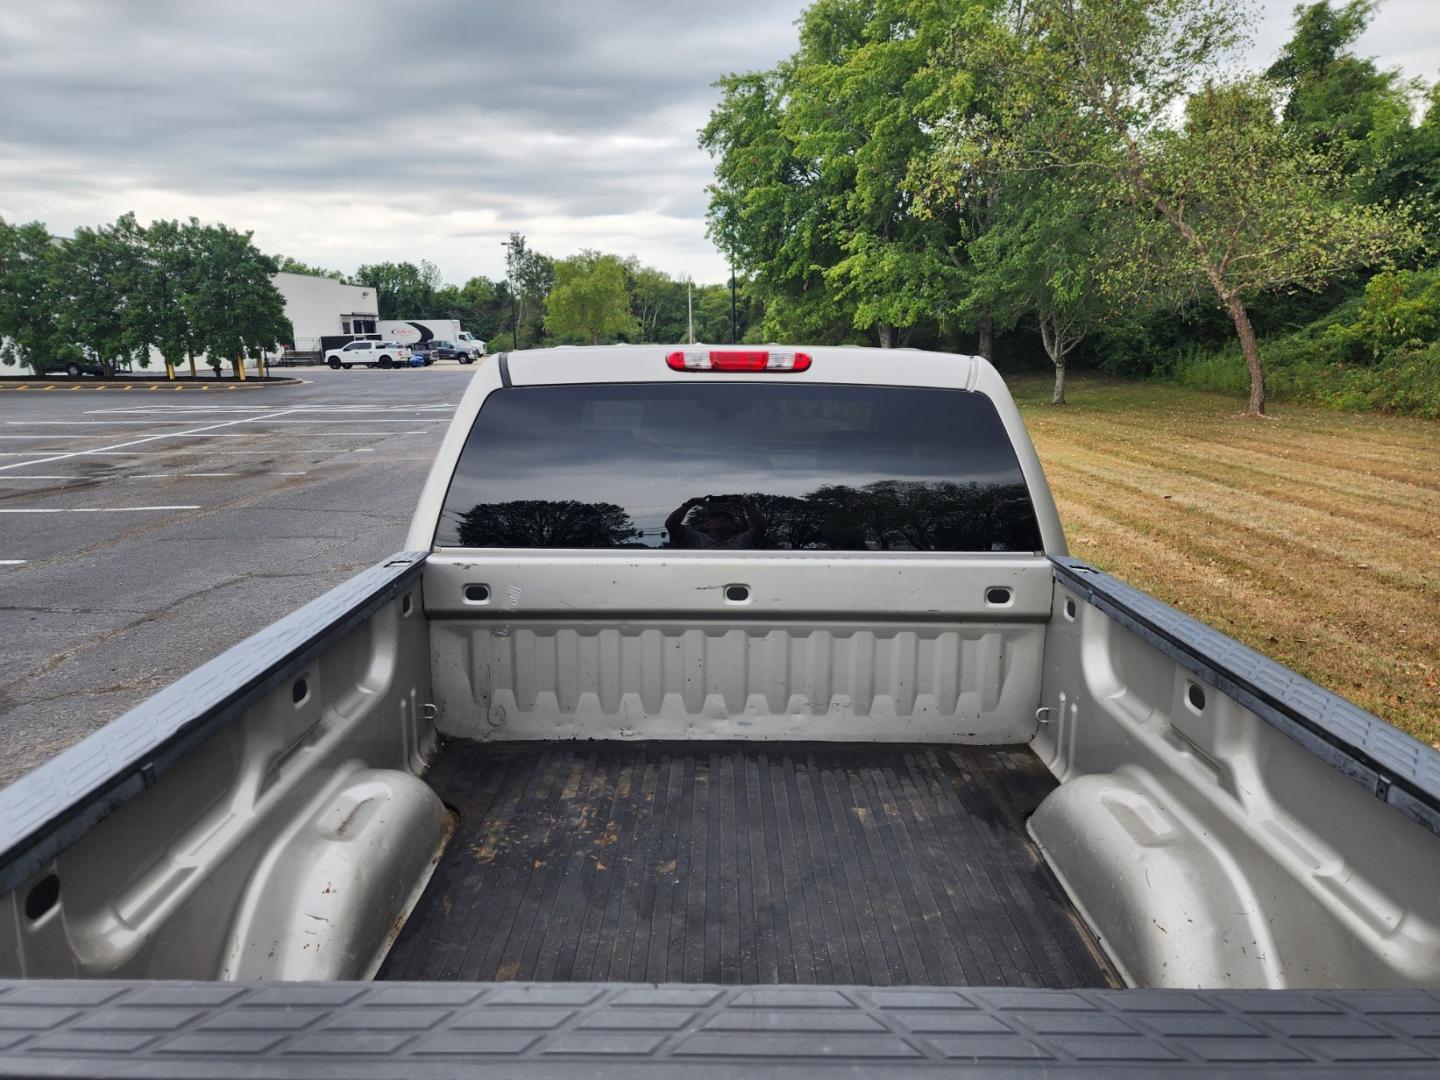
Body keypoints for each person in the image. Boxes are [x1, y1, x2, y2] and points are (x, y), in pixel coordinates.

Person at [666, 494, 767, 549]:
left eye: (727, 517)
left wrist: (746, 504)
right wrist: (688, 505)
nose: (721, 518)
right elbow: (671, 525)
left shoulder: (744, 540)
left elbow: (761, 526)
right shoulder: (694, 538)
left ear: (734, 526)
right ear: (706, 524)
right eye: (715, 516)